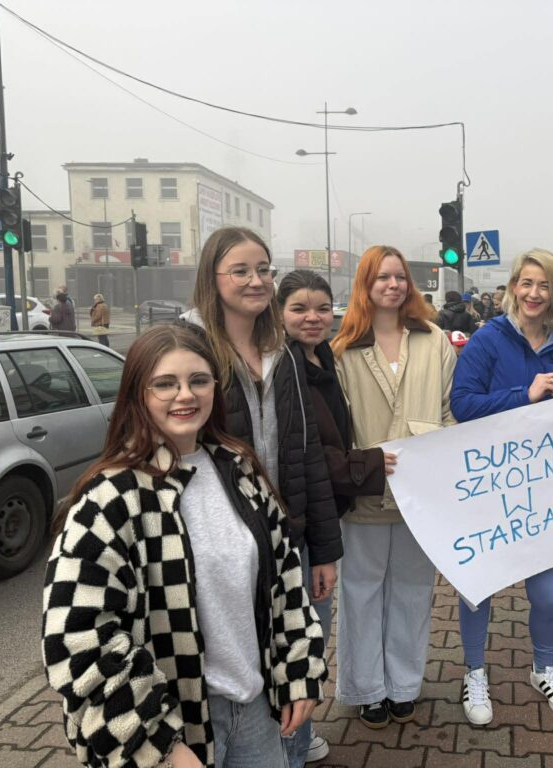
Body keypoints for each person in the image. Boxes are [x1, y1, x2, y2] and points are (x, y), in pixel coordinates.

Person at [42, 325, 326, 768]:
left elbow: (286, 579)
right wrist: (160, 744)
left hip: (254, 706)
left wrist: (299, 670)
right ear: (137, 394)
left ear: (215, 386)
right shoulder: (110, 498)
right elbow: (77, 637)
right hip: (173, 720)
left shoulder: (239, 469)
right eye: (165, 384)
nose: (185, 395)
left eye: (198, 380)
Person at [181, 227, 341, 768]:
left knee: (299, 662)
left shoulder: (284, 353)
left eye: (264, 270)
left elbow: (308, 453)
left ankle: (293, 753)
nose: (256, 281)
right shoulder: (191, 350)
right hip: (224, 549)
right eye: (241, 271)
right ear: (213, 277)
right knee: (241, 675)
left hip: (291, 541)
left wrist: (323, 549)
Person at [450, 248, 553, 725]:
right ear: (512, 287)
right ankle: (474, 671)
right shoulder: (488, 339)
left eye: (544, 284)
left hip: (541, 490)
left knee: (550, 595)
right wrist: (522, 396)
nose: (534, 293)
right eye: (526, 283)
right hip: (490, 485)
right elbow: (462, 404)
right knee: (478, 586)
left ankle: (544, 667)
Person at [331, 245, 457, 728]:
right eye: (382, 277)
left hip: (418, 495)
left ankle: (403, 685)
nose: (393, 285)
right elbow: (340, 425)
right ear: (365, 284)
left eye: (400, 276)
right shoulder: (344, 349)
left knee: (412, 589)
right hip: (365, 491)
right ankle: (366, 688)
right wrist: (358, 467)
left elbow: (448, 409)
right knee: (360, 591)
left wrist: (437, 456)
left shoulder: (433, 339)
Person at [276, 269, 390, 764]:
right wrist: (368, 465)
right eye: (299, 308)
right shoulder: (284, 369)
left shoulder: (323, 359)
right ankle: (290, 747)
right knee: (300, 638)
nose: (313, 317)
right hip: (294, 524)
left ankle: (298, 739)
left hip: (318, 518)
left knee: (312, 635)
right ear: (279, 312)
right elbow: (304, 454)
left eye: (322, 308)